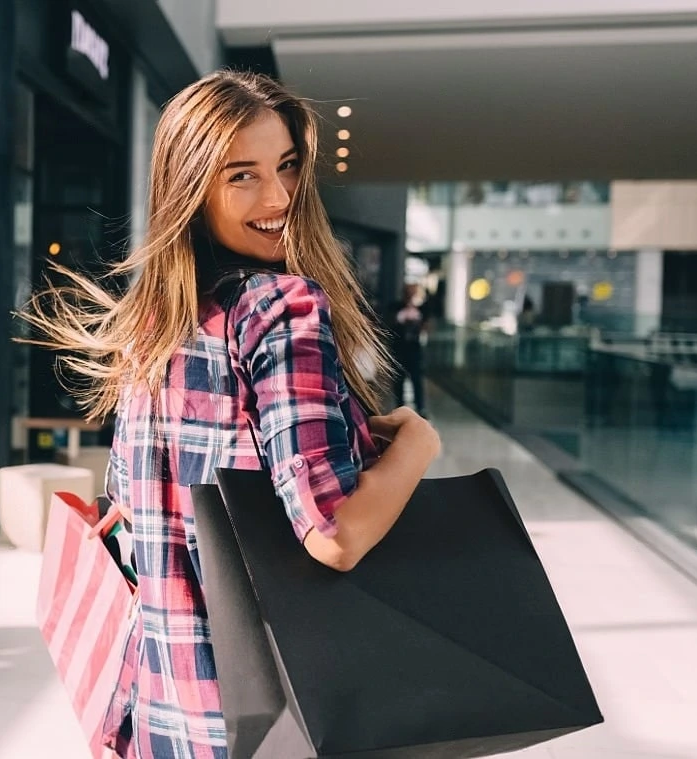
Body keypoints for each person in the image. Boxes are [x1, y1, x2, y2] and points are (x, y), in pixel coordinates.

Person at [22, 70, 441, 758]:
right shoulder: (281, 308)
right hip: (276, 720)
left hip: (162, 713)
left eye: (285, 167)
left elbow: (129, 507)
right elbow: (333, 533)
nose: (277, 197)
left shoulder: (152, 325)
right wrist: (416, 444)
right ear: (190, 187)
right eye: (240, 175)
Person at [389, 283, 431, 417]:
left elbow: (426, 327)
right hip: (400, 349)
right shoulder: (396, 307)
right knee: (399, 381)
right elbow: (391, 323)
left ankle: (420, 407)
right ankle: (400, 407)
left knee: (417, 380)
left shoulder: (422, 310)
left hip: (414, 350)